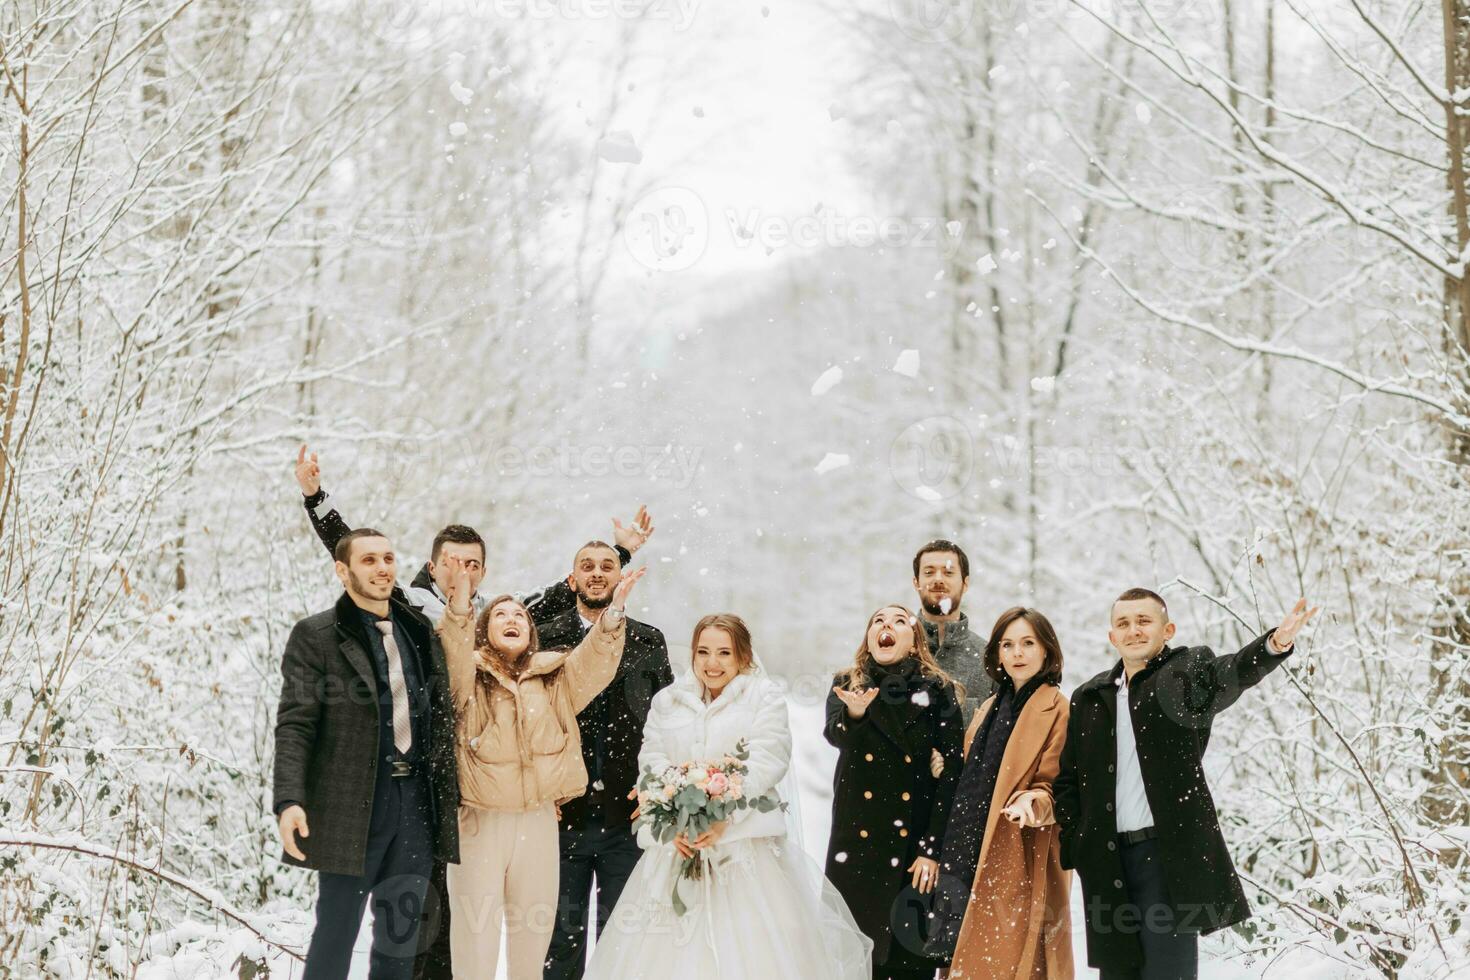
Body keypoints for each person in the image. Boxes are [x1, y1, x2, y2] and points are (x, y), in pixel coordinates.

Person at [584, 614, 873, 979]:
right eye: (703, 651)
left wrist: (723, 817)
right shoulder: (668, 702)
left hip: (743, 852)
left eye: (724, 652)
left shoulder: (763, 698)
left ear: (743, 656)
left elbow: (769, 759)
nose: (712, 662)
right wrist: (673, 821)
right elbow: (652, 762)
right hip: (678, 851)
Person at [1054, 588, 1318, 980]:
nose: (1134, 630)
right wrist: (1080, 840)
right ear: (1112, 636)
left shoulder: (1184, 675)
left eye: (1144, 621)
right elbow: (1068, 781)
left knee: (1167, 973)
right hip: (1108, 864)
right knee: (1117, 975)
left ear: (1167, 629)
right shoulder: (1090, 698)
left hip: (1165, 858)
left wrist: (1275, 643)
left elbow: (1232, 673)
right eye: (1123, 623)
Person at [437, 557, 643, 979]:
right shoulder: (466, 677)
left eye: (519, 616)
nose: (511, 619)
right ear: (484, 630)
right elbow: (453, 656)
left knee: (533, 940)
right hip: (480, 821)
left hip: (539, 822)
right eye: (500, 615)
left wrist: (613, 613)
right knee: (475, 938)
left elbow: (594, 664)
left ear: (531, 631)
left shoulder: (553, 678)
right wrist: (460, 605)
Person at [272, 528, 461, 980]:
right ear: (343, 571)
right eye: (369, 560)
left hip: (415, 805)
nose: (382, 569)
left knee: (400, 939)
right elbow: (296, 723)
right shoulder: (316, 635)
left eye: (388, 559)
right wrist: (288, 801)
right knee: (335, 933)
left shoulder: (417, 632)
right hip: (352, 805)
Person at [293, 444, 653, 624]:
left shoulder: (499, 613)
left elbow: (564, 591)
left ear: (484, 572)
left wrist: (619, 554)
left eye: (473, 564)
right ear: (431, 569)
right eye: (452, 562)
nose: (463, 571)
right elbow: (355, 553)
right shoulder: (410, 606)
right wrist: (315, 498)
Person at [542, 541, 673, 980]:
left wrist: (658, 787)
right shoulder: (542, 635)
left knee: (623, 943)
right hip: (562, 817)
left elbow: (667, 721)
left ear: (620, 577)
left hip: (627, 816)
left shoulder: (649, 639)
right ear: (572, 578)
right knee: (558, 942)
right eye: (587, 566)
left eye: (607, 566)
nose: (597, 573)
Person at [927, 607, 1072, 980]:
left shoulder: (1058, 708)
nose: (1017, 653)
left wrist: (1033, 804)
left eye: (1028, 643)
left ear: (1046, 651)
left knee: (1008, 959)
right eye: (1008, 645)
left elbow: (1057, 785)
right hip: (966, 844)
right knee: (963, 953)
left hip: (1016, 847)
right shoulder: (990, 706)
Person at [825, 604, 965, 980]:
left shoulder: (938, 691)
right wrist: (854, 715)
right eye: (878, 621)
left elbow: (952, 773)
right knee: (856, 960)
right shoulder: (847, 682)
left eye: (899, 621)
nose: (887, 626)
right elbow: (834, 736)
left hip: (913, 850)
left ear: (915, 641)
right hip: (856, 846)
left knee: (907, 960)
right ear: (869, 638)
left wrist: (932, 849)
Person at [912, 541, 993, 725]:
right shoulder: (893, 650)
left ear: (965, 583)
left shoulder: (989, 658)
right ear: (916, 582)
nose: (938, 579)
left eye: (948, 572)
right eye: (928, 572)